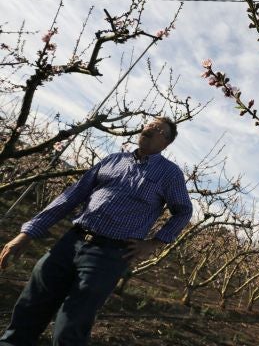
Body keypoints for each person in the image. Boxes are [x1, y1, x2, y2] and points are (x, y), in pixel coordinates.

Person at [0, 117, 193, 346]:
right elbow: (71, 196)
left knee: (71, 326)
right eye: (148, 124)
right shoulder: (113, 160)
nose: (149, 128)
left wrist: (155, 243)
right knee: (30, 306)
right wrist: (28, 233)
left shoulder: (169, 174)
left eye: (158, 128)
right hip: (72, 240)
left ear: (166, 143)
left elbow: (183, 211)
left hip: (108, 255)